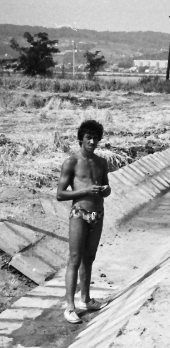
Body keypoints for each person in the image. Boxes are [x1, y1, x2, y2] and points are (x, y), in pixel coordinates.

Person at [57, 119, 111, 324]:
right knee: (74, 258)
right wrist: (85, 191)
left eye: (96, 138)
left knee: (89, 258)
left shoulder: (101, 162)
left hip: (98, 214)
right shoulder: (71, 162)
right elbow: (60, 194)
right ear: (81, 139)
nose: (92, 141)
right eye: (89, 137)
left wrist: (105, 190)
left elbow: (107, 187)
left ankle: (86, 299)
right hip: (80, 213)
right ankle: (70, 306)